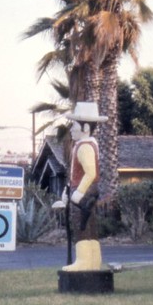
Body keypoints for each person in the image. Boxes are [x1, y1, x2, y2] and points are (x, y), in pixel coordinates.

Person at [62, 102, 107, 272]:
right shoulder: (86, 145)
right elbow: (78, 173)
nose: (72, 129)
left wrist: (78, 193)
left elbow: (91, 173)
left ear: (85, 127)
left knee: (80, 225)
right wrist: (68, 189)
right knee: (89, 226)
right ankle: (94, 261)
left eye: (74, 126)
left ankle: (83, 260)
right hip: (86, 190)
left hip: (84, 192)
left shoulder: (84, 147)